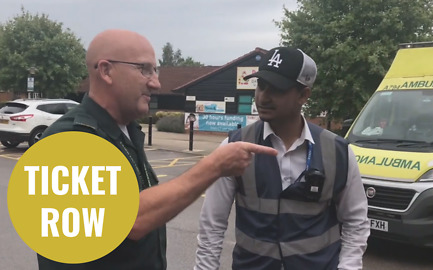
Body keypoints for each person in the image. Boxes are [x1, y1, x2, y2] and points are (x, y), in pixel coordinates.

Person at [36, 29, 277, 270]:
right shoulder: (71, 138)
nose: (156, 83)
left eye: (155, 70)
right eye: (144, 69)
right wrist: (214, 166)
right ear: (106, 71)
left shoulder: (126, 131)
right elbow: (129, 220)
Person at [194, 47, 370, 270]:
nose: (263, 97)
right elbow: (212, 226)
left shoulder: (338, 152)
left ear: (303, 95)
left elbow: (356, 222)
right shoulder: (233, 148)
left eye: (276, 89)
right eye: (261, 86)